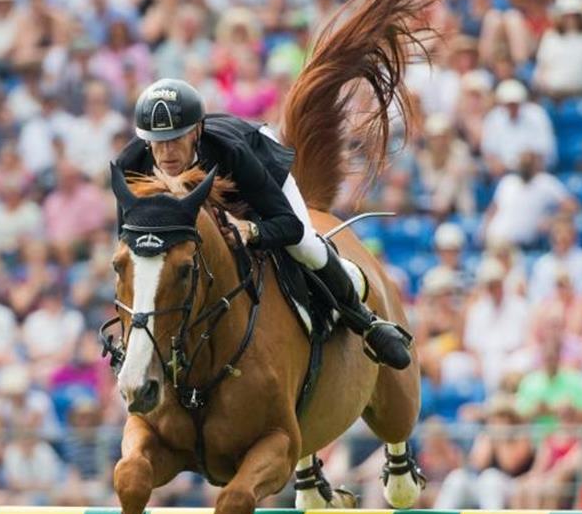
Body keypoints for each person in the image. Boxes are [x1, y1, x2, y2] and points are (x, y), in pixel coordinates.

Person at [113, 78, 412, 370]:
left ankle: (365, 320)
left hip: (257, 173)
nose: (166, 153)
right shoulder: (130, 167)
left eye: (176, 138)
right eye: (157, 142)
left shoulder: (232, 152)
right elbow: (128, 250)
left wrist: (252, 231)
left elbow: (289, 226)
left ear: (197, 131)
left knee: (305, 245)